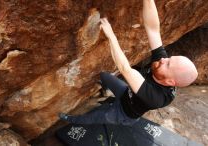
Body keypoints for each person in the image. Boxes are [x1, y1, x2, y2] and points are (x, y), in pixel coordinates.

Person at [59, 0, 198, 125]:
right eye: (169, 58)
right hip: (127, 92)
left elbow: (125, 69)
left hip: (124, 113)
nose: (163, 59)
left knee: (95, 116)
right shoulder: (162, 65)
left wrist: (111, 36)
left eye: (167, 64)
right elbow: (153, 29)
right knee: (104, 76)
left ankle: (70, 119)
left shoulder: (157, 98)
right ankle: (107, 91)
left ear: (170, 82)